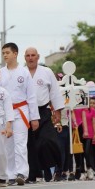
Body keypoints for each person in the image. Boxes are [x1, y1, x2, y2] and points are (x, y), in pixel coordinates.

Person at [0, 43, 39, 186]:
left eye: (7, 52)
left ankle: (21, 172)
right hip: (5, 112)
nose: (5, 55)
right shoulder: (1, 73)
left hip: (21, 110)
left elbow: (32, 95)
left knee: (20, 142)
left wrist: (34, 117)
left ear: (15, 54)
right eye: (3, 53)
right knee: (7, 144)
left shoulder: (24, 72)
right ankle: (10, 174)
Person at [24, 47, 65, 182]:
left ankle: (57, 167)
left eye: (33, 55)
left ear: (38, 57)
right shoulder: (21, 73)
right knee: (31, 145)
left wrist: (57, 112)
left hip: (44, 111)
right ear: (24, 58)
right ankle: (37, 172)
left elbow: (54, 92)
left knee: (47, 141)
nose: (30, 58)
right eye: (28, 55)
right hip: (27, 112)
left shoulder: (46, 72)